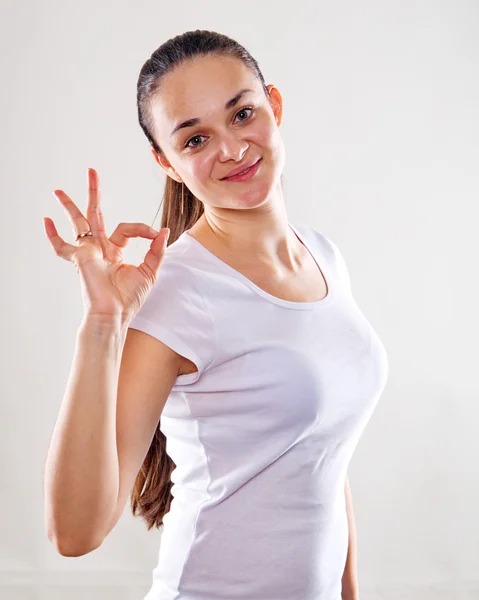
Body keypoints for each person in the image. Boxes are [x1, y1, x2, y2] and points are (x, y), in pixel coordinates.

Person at [43, 29, 389, 600]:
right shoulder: (176, 293)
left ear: (273, 106)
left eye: (243, 114)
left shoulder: (322, 254)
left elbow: (323, 455)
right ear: (169, 164)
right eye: (196, 139)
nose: (230, 148)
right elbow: (75, 533)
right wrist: (103, 323)